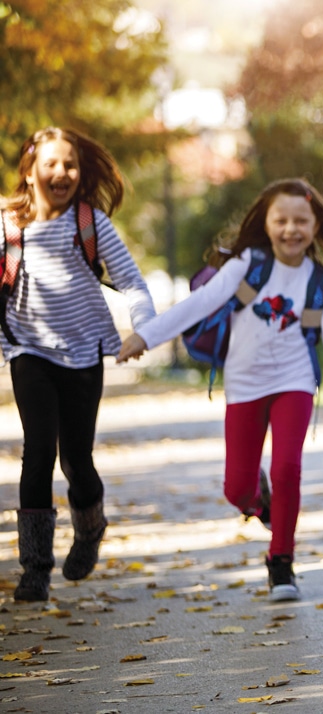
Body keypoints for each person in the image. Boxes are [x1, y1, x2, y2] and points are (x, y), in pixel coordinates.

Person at [117, 178, 323, 602]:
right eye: (281, 220)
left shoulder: (316, 280)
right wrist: (147, 336)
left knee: (287, 470)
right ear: (265, 223)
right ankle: (262, 506)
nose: (291, 229)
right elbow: (200, 303)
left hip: (294, 383)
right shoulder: (248, 264)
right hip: (245, 386)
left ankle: (281, 562)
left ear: (316, 226)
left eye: (301, 221)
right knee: (237, 490)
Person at [1, 127, 157, 602]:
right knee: (38, 451)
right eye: (49, 164)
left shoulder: (89, 223)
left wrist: (141, 329)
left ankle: (89, 529)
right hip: (28, 350)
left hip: (85, 353)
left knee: (76, 459)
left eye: (69, 164)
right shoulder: (8, 226)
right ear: (29, 172)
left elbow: (132, 281)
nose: (61, 173)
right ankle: (35, 569)